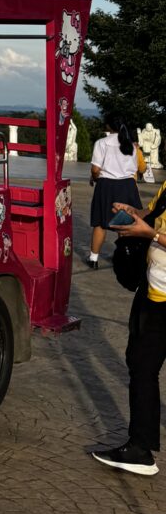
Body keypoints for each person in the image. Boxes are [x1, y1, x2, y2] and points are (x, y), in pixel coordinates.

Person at [92, 178, 166, 476]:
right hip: (154, 291)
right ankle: (140, 448)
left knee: (143, 366)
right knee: (141, 364)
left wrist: (151, 234)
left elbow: (155, 231)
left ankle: (140, 447)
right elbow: (152, 212)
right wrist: (134, 213)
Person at [86, 117, 141, 269]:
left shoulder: (101, 143)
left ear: (108, 125)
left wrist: (95, 178)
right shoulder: (131, 145)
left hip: (107, 185)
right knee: (124, 224)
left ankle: (94, 259)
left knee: (100, 223)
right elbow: (134, 169)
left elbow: (95, 169)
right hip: (127, 185)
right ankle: (124, 258)